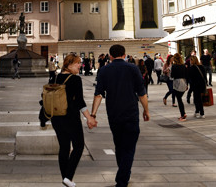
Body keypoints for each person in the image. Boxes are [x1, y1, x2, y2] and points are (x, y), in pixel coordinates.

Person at [91, 44, 149, 187]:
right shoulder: (133, 68)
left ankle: (123, 174)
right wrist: (146, 110)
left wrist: (93, 114)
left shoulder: (104, 70)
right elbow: (142, 93)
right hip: (131, 113)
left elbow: (98, 94)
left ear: (110, 56)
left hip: (114, 114)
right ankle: (122, 180)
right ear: (124, 55)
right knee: (129, 148)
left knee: (119, 145)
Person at [50, 53, 96, 187]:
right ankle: (68, 177)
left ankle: (65, 178)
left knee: (64, 147)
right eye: (77, 63)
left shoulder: (57, 77)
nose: (80, 65)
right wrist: (89, 118)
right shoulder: (75, 79)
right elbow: (80, 102)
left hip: (56, 118)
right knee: (79, 146)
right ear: (69, 65)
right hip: (71, 118)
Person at [171, 53, 188, 121]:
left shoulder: (174, 66)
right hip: (184, 82)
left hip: (177, 83)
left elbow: (172, 75)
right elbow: (186, 75)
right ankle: (183, 113)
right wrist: (187, 84)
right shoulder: (183, 66)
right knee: (179, 98)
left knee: (179, 99)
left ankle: (183, 114)